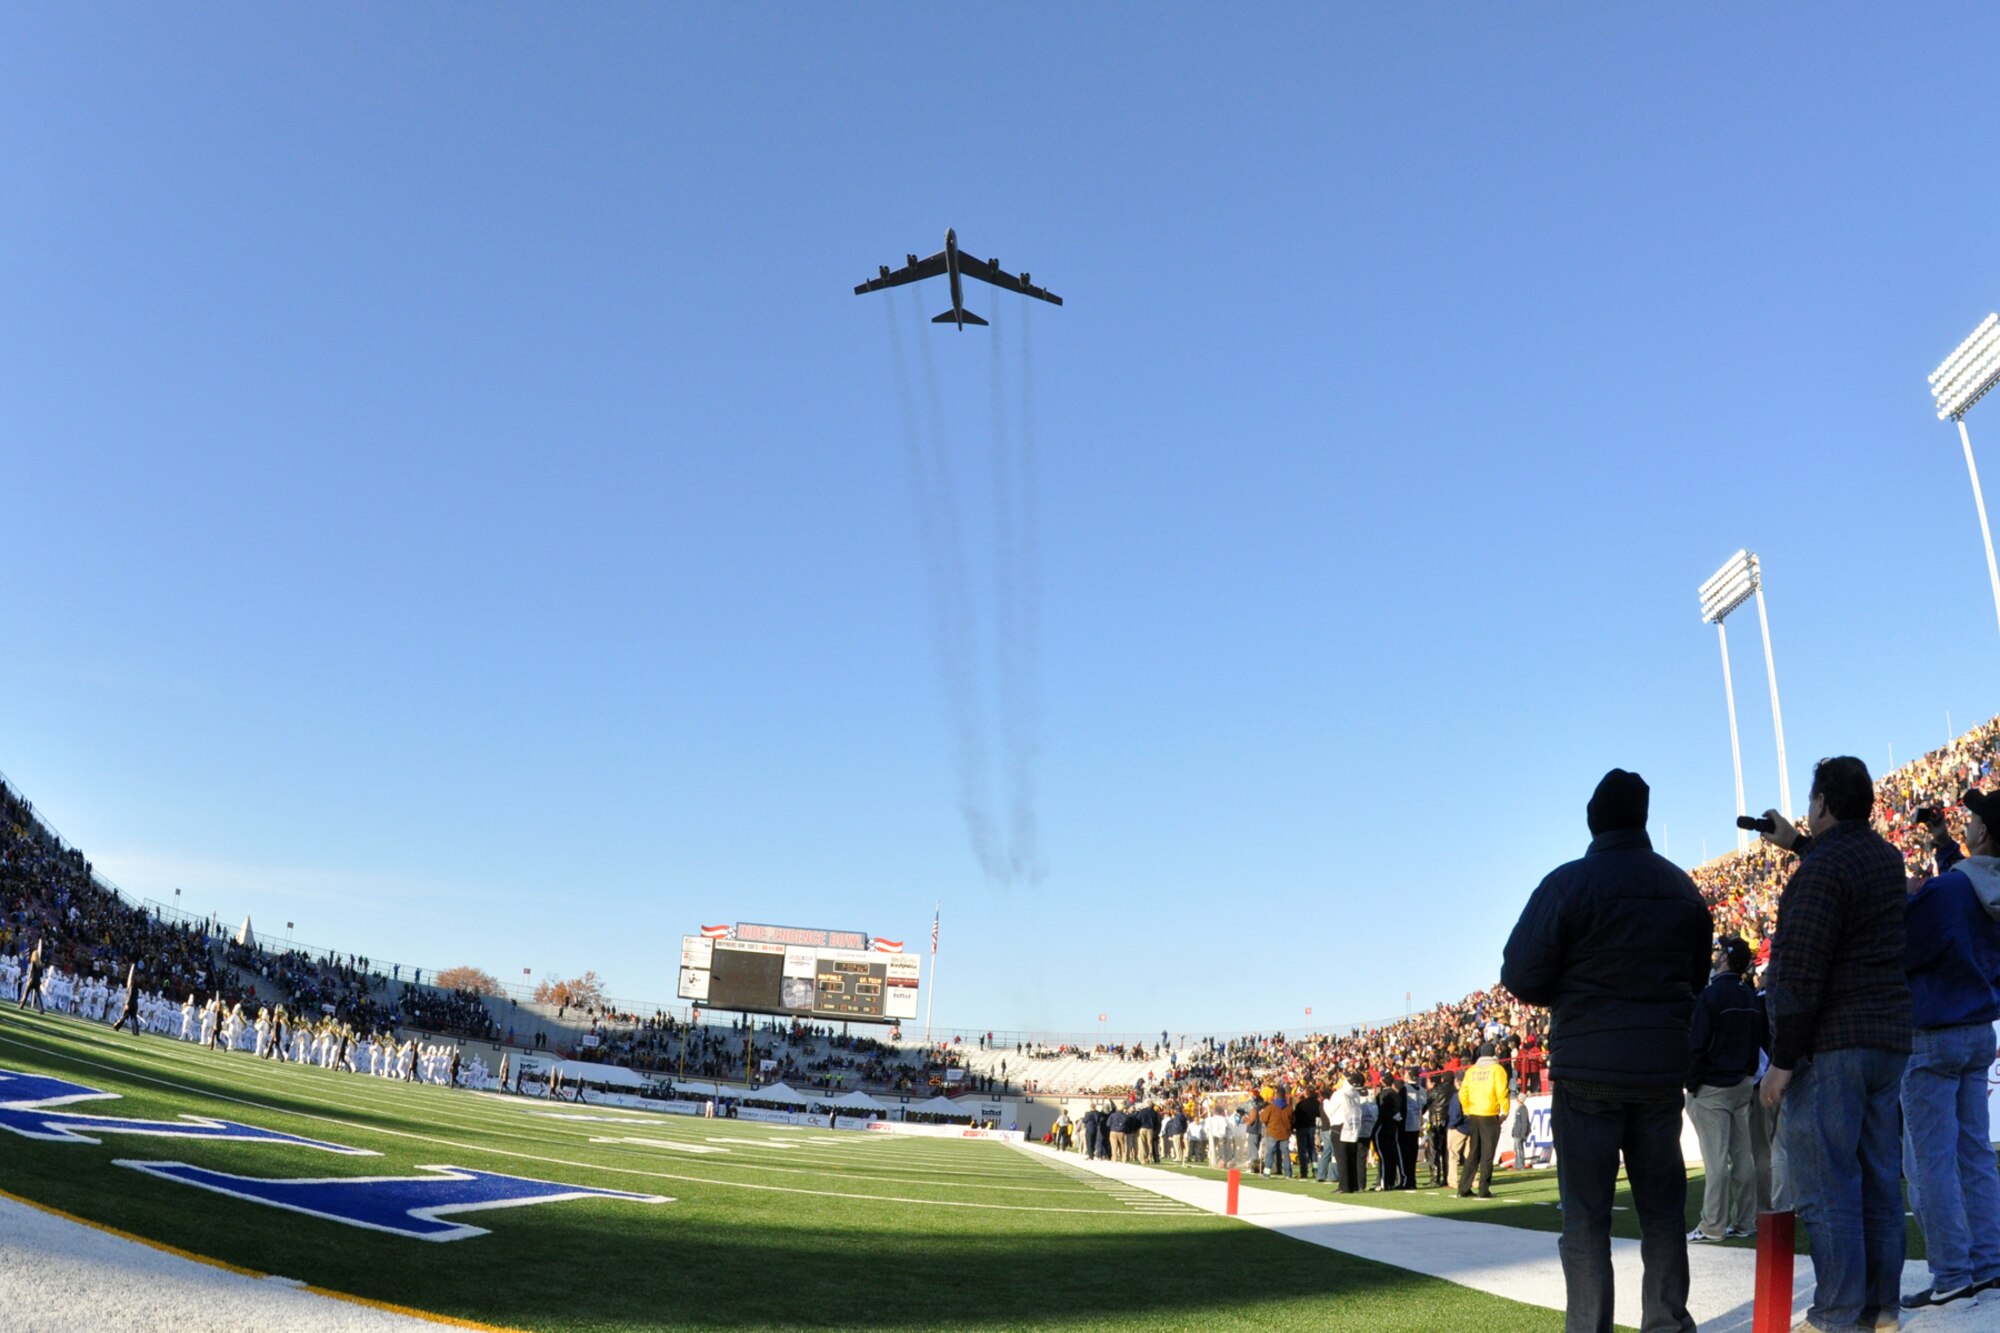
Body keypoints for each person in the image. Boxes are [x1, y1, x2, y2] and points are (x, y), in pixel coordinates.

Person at [1502, 768, 1710, 1333]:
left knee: (1587, 1220)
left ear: (1594, 821)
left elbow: (1520, 974)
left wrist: (1570, 987)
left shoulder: (1568, 884)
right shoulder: (1682, 888)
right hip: (1658, 1074)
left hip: (1589, 1071)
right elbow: (1695, 978)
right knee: (1663, 1215)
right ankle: (1667, 1323)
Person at [1754, 756, 1913, 1333]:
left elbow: (1799, 972)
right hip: (1886, 1041)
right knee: (1877, 1182)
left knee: (1827, 1186)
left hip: (1834, 1044)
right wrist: (1797, 843)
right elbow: (1846, 874)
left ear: (1821, 802)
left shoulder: (1820, 872)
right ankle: (1879, 1310)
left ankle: (1839, 1314)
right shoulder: (1884, 856)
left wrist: (1783, 1062)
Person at [1895, 791, 2000, 1308]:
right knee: (1976, 1154)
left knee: (1930, 1162)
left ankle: (1953, 1273)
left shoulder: (1951, 891)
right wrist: (1939, 846)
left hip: (1934, 1032)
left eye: (1974, 818)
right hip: (1980, 1028)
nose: (1968, 821)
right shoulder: (1980, 883)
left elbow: (1904, 946)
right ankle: (1989, 1266)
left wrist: (1908, 895)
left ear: (1983, 833)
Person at [1684, 935, 1765, 1243]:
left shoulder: (1711, 996)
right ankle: (1745, 1221)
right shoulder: (1750, 996)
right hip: (1742, 1084)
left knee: (1715, 1160)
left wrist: (1692, 1084)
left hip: (1713, 1085)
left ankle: (1713, 1225)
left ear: (1727, 959)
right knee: (1743, 1156)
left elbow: (1698, 1044)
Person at [1457, 1041, 1509, 1198]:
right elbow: (1502, 1091)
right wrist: (1504, 1110)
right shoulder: (1497, 1070)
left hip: (1474, 1113)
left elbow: (1462, 1093)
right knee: (1487, 1153)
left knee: (1474, 1152)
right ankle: (1483, 1189)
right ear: (1493, 1054)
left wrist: (1467, 1109)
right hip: (1489, 1113)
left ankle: (1463, 1188)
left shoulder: (1471, 1071)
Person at [1259, 1091, 1295, 1177]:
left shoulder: (1271, 1107)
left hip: (1273, 1132)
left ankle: (1267, 1173)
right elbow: (1293, 1120)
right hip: (1284, 1133)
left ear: (1276, 1096)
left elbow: (1263, 1119)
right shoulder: (1289, 1108)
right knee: (1286, 1153)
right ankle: (1288, 1173)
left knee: (1270, 1153)